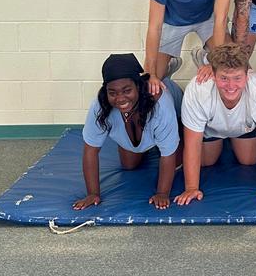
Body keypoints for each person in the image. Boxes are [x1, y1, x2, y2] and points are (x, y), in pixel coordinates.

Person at [175, 44, 256, 205]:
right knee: (206, 162)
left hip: (244, 127)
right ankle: (204, 59)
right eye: (224, 78)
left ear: (247, 76)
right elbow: (192, 144)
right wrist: (191, 188)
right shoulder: (198, 89)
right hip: (211, 128)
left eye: (237, 78)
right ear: (213, 76)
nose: (231, 86)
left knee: (249, 160)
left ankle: (234, 138)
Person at [74, 53, 182, 211]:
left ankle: (165, 76)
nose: (120, 98)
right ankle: (148, 140)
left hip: (175, 106)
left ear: (138, 86)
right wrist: (93, 194)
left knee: (176, 161)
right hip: (137, 123)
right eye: (113, 93)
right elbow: (90, 149)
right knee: (129, 165)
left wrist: (162, 193)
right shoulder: (100, 104)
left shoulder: (160, 102)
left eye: (126, 90)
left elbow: (168, 155)